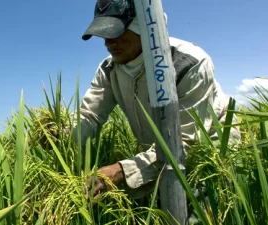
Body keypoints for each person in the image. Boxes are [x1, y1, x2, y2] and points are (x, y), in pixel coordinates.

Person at [72, 0, 241, 210]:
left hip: (206, 155)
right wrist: (63, 134)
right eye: (104, 35)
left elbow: (186, 142)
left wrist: (121, 171)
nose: (109, 43)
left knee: (196, 211)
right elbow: (90, 116)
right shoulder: (109, 69)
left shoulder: (188, 63)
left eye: (116, 33)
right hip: (157, 155)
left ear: (144, 26)